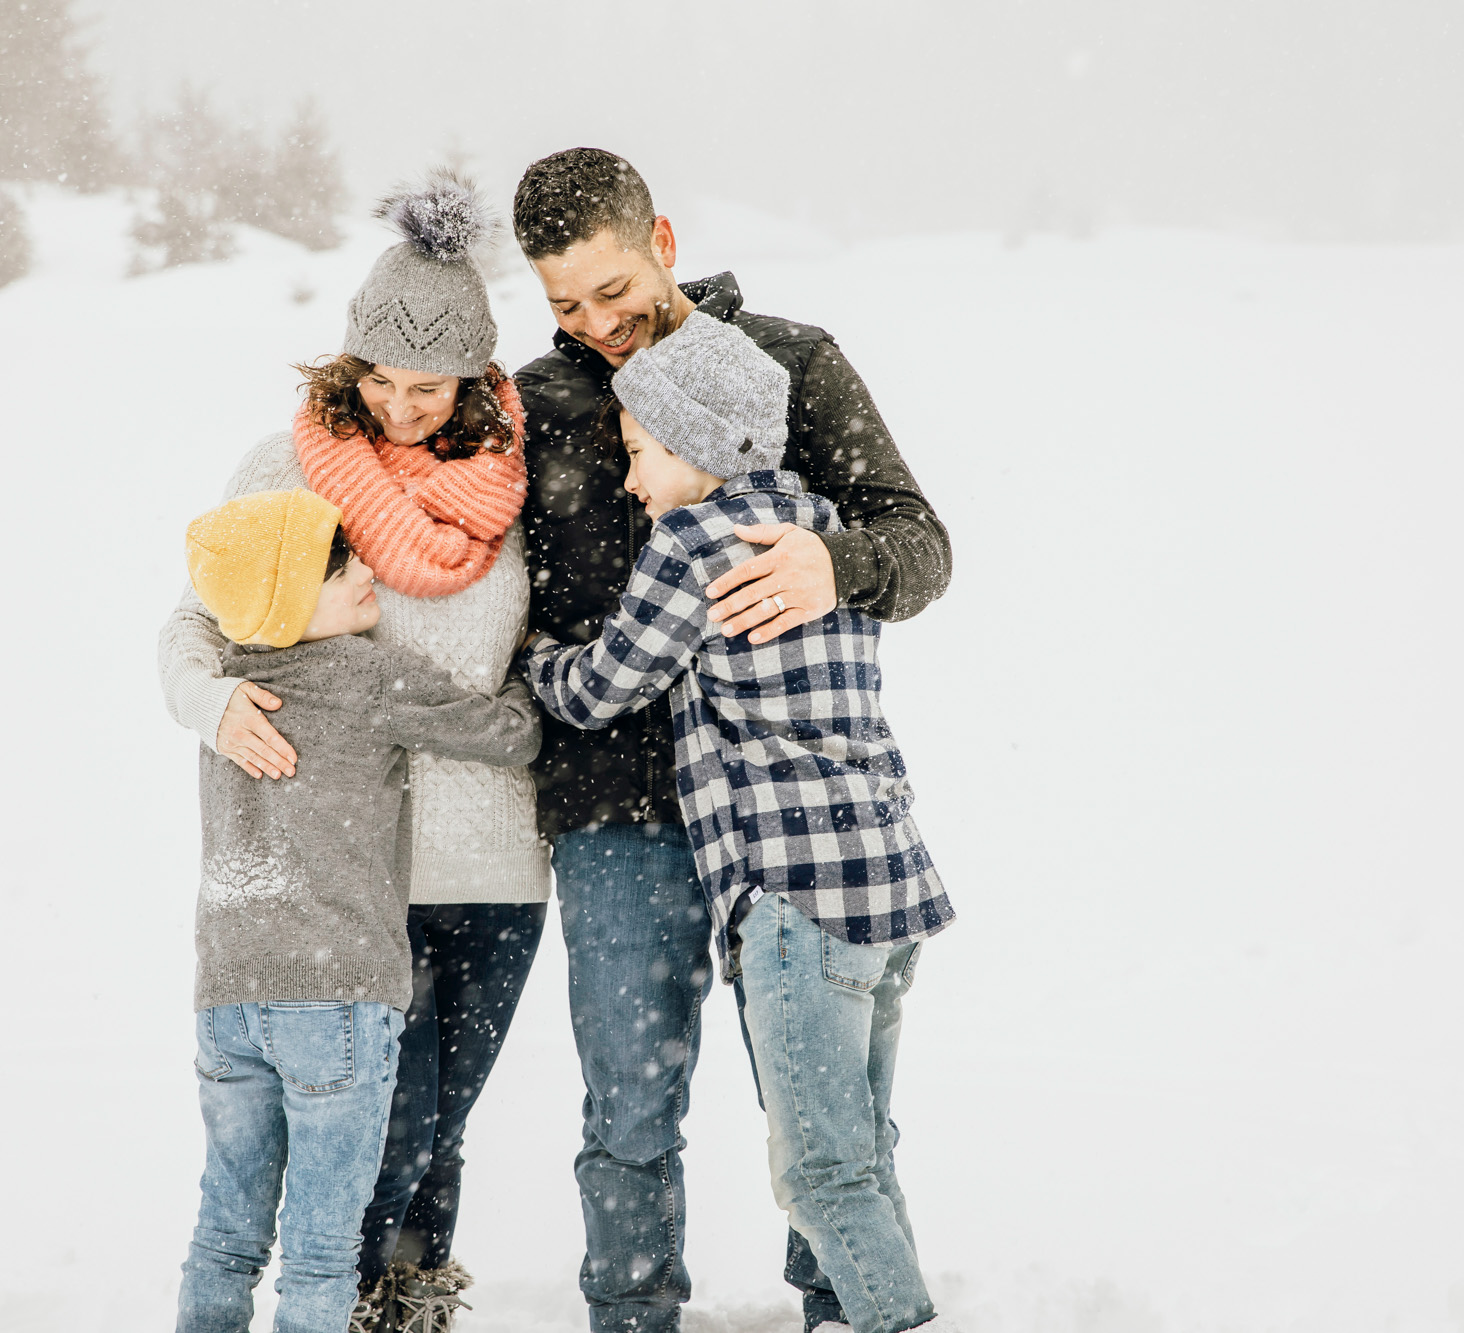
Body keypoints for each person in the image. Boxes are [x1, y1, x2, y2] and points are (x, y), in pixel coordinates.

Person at [509, 148, 954, 1333]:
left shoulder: (789, 365)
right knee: (628, 1106)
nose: (595, 325)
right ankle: (632, 1312)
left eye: (611, 290)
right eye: (562, 304)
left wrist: (835, 563)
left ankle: (841, 1309)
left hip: (791, 827)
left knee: (820, 1118)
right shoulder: (535, 405)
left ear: (659, 237)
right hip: (619, 810)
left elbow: (919, 546)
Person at [158, 170, 550, 1333]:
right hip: (348, 878)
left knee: (438, 1132)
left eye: (429, 386)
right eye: (377, 377)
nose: (400, 406)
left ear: (477, 378)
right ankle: (353, 1310)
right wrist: (211, 703)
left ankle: (410, 1308)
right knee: (388, 1130)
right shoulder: (285, 473)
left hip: (498, 866)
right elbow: (191, 619)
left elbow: (547, 653)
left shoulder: (520, 489)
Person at [175, 487, 540, 1333]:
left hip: (226, 994)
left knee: (226, 1232)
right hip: (335, 993)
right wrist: (526, 678)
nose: (370, 570)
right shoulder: (365, 674)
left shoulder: (225, 689)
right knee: (320, 1249)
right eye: (345, 570)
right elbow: (507, 735)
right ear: (292, 597)